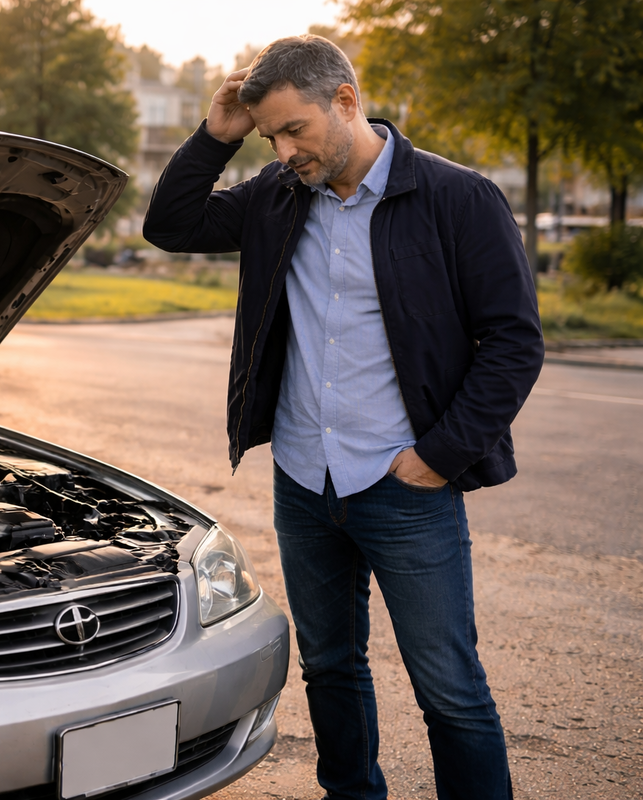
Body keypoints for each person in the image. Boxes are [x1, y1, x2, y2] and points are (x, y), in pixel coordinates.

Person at [142, 34, 543, 800]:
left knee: (450, 688)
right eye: (271, 136)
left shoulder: (458, 198)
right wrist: (215, 137)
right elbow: (172, 226)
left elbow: (514, 343)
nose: (285, 148)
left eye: (296, 129)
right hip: (302, 478)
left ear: (347, 102)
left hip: (406, 485)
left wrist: (442, 454)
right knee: (329, 665)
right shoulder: (277, 195)